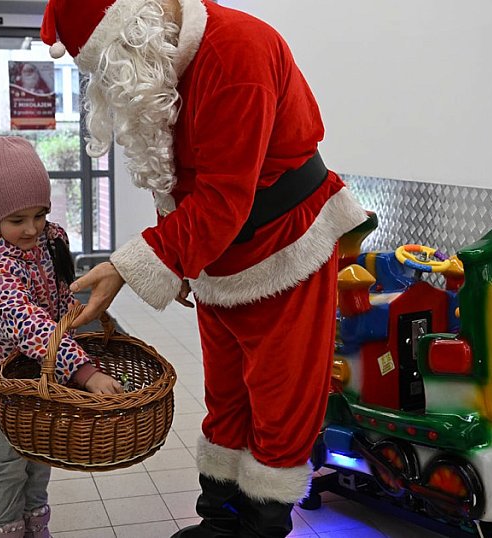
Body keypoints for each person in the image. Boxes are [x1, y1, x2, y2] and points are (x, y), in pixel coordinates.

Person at [40, 1, 369, 537]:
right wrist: (186, 266)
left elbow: (222, 198)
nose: (112, 81)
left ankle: (263, 524)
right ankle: (220, 518)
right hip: (217, 257)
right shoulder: (166, 64)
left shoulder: (238, 50)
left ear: (136, 29)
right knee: (226, 393)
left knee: (279, 397)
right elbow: (171, 174)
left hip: (285, 248)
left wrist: (130, 266)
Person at [0, 135, 122, 538]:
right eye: (18, 220)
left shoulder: (50, 240)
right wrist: (83, 371)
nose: (31, 228)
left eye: (40, 215)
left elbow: (59, 295)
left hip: (40, 377)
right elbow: (27, 321)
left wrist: (82, 318)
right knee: (7, 466)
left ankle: (37, 526)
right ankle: (8, 530)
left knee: (39, 456)